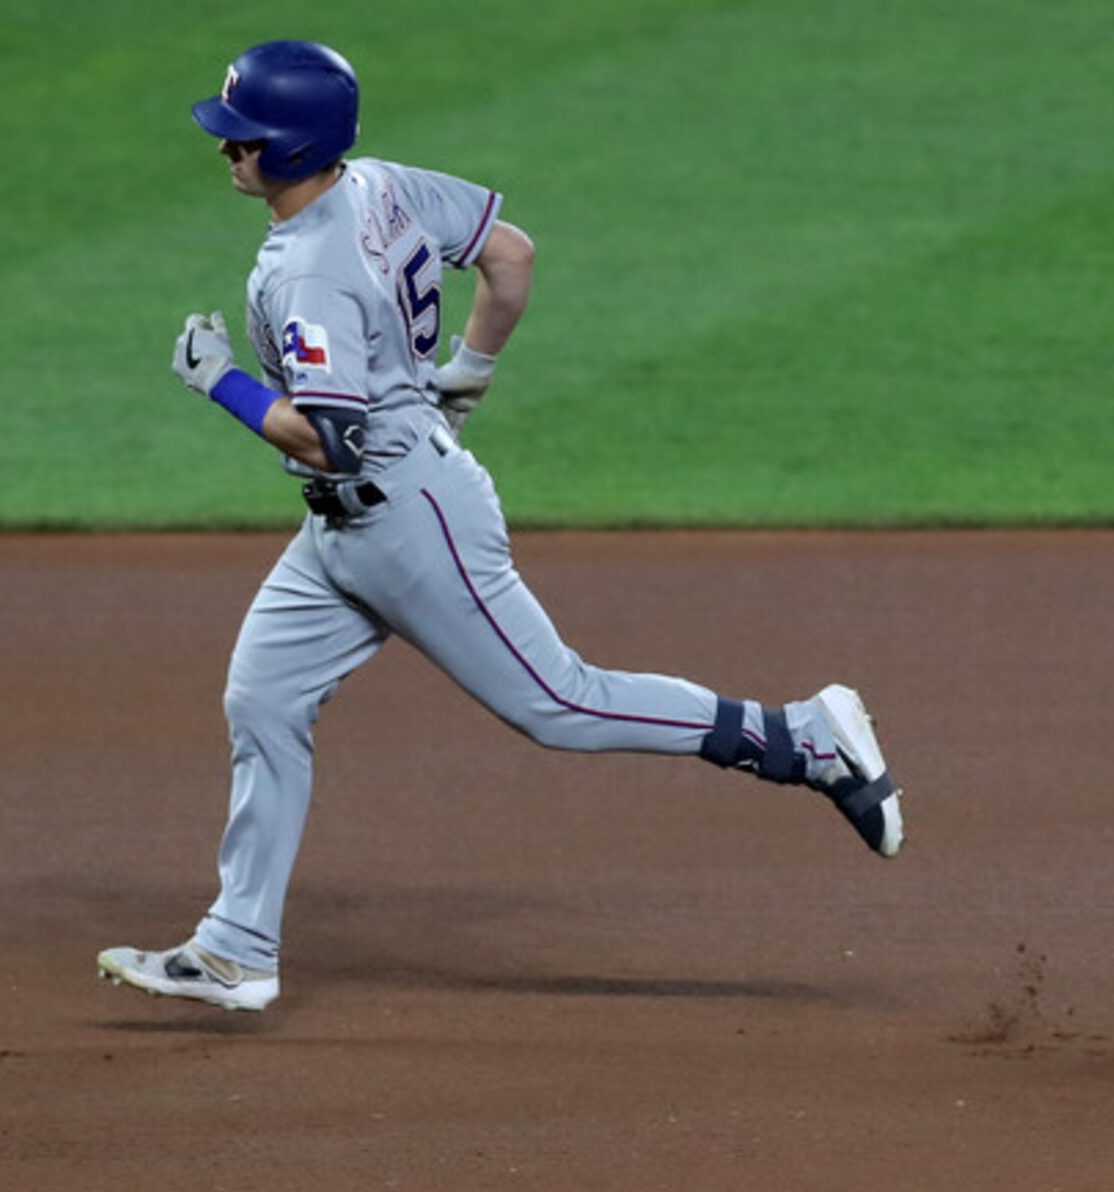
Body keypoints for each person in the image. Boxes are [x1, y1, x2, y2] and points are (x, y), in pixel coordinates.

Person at [100, 40, 899, 1014]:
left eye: (245, 140)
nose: (226, 153)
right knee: (264, 704)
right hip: (349, 532)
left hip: (405, 519)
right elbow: (509, 256)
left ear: (297, 144)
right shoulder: (382, 185)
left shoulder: (306, 271)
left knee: (561, 703)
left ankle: (803, 738)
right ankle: (236, 947)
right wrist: (464, 379)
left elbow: (330, 443)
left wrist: (218, 382)